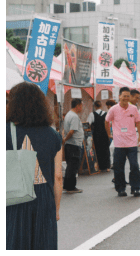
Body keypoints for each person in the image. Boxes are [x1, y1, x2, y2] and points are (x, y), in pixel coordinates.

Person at [6, 82, 63, 250]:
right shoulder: (53, 135)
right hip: (44, 196)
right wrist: (56, 209)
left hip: (13, 195)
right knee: (43, 242)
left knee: (14, 241)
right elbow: (58, 176)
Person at [105, 87, 140, 197]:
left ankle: (135, 188)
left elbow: (138, 122)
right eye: (124, 96)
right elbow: (107, 121)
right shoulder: (113, 109)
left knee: (134, 165)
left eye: (128, 96)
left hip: (132, 143)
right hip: (119, 144)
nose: (126, 98)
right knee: (119, 167)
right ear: (119, 96)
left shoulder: (133, 109)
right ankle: (120, 188)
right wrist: (109, 134)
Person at [63, 98, 85, 193]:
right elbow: (72, 131)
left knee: (70, 166)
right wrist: (65, 139)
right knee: (73, 166)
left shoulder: (68, 114)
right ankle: (71, 187)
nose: (82, 108)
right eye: (81, 105)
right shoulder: (74, 117)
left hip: (70, 144)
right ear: (78, 106)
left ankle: (67, 185)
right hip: (74, 144)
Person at [87, 101, 111, 172]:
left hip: (96, 134)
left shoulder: (92, 114)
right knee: (106, 150)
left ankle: (99, 167)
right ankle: (107, 166)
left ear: (94, 106)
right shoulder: (106, 114)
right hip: (105, 134)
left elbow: (88, 123)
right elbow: (109, 124)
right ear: (101, 106)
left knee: (98, 150)